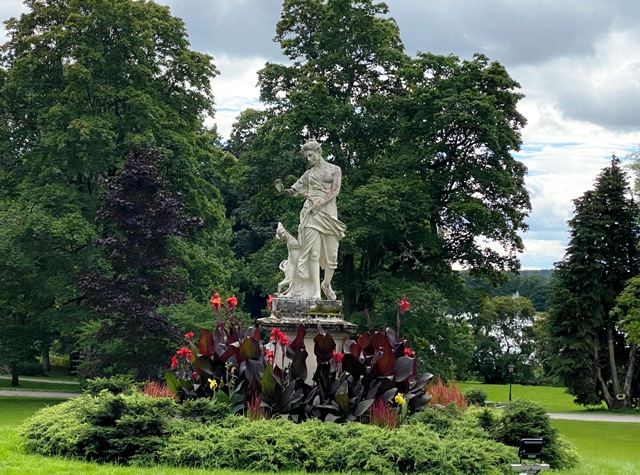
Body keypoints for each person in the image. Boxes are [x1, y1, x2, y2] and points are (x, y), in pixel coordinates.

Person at [275, 139, 346, 300]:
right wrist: (282, 190)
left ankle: (326, 283)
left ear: (318, 152)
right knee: (314, 254)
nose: (308, 159)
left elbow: (335, 190)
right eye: (306, 157)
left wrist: (321, 202)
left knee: (332, 256)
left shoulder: (334, 170)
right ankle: (316, 292)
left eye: (311, 155)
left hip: (328, 213)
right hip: (311, 213)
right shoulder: (308, 174)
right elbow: (293, 191)